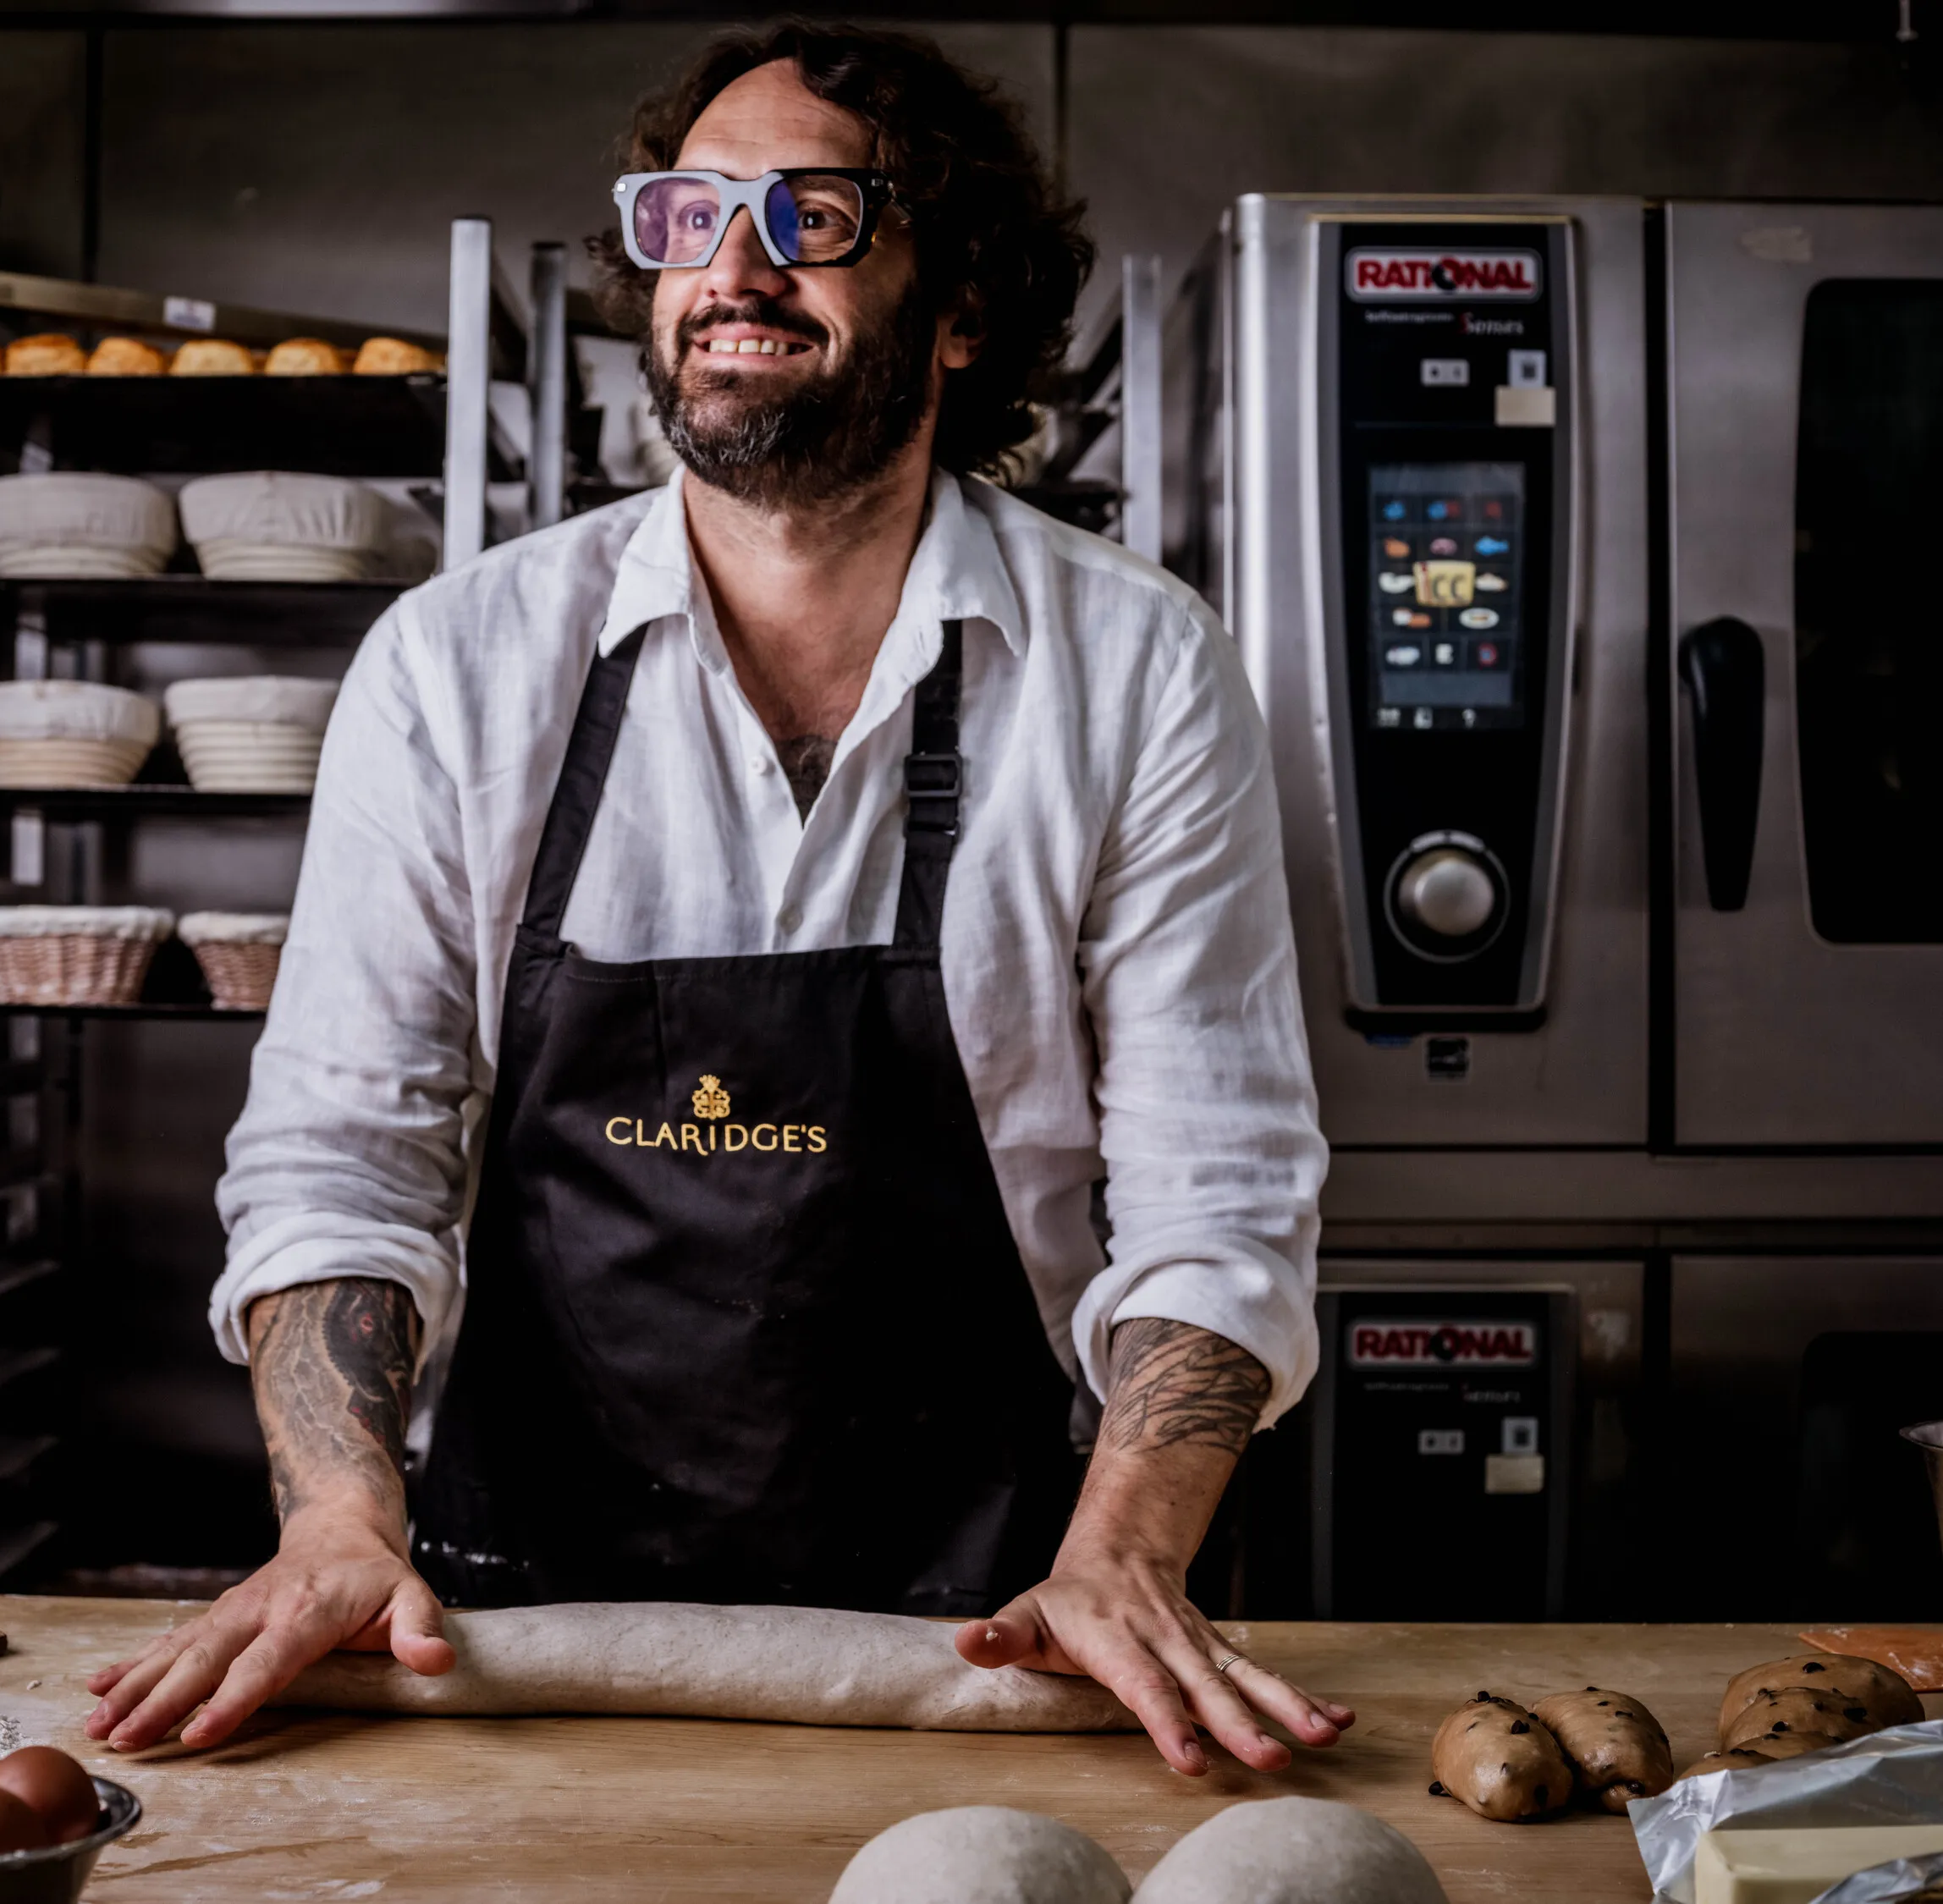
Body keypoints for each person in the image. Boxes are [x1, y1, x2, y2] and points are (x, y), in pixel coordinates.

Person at [86, 21, 1345, 1777]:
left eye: (810, 214)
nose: (728, 268)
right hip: (513, 1647)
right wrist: (334, 1524)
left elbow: (1217, 1195)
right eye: (685, 215)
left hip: (1004, 1640)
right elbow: (339, 1162)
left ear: (959, 302)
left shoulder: (1134, 669)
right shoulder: (458, 667)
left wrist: (1126, 1544)